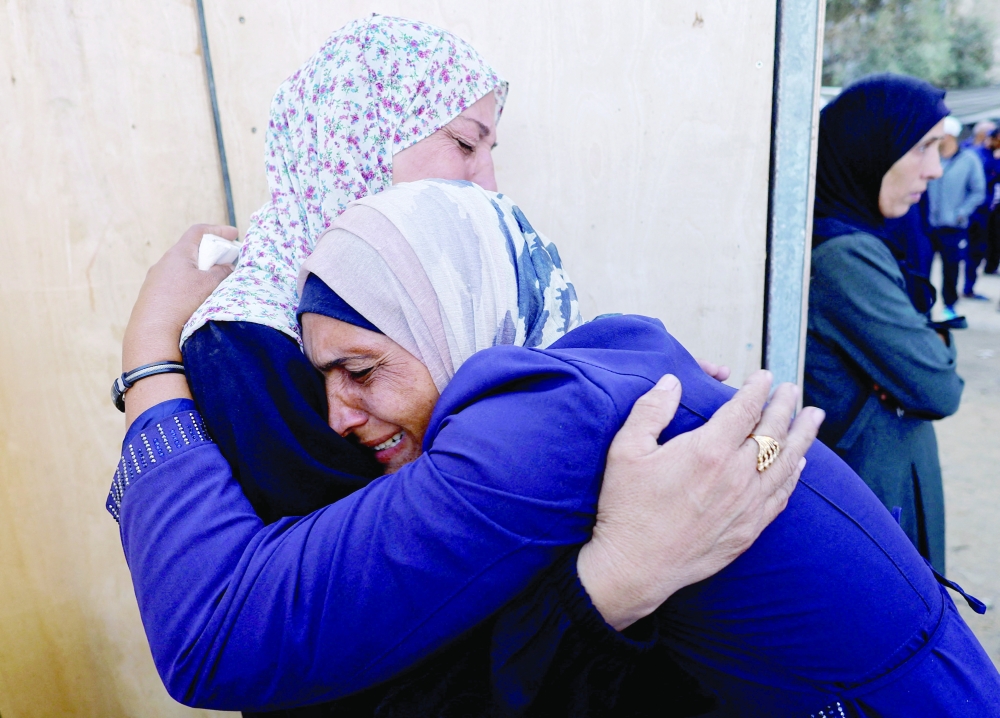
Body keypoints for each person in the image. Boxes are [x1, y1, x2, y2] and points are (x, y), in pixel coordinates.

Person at [112, 178, 1000, 717]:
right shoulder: (605, 361)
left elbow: (215, 633)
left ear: (449, 308)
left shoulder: (532, 428)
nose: (341, 418)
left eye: (361, 369)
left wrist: (150, 362)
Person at [805, 74, 965, 572]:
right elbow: (938, 386)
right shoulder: (846, 256)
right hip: (873, 499)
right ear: (869, 148)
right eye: (923, 147)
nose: (936, 169)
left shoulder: (867, 239)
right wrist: (935, 336)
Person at [927, 116, 986, 315]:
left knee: (951, 268)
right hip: (927, 225)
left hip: (953, 226)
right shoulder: (929, 155)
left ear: (950, 136)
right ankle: (921, 308)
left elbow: (978, 191)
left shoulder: (969, 160)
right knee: (921, 267)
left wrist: (961, 213)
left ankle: (949, 306)